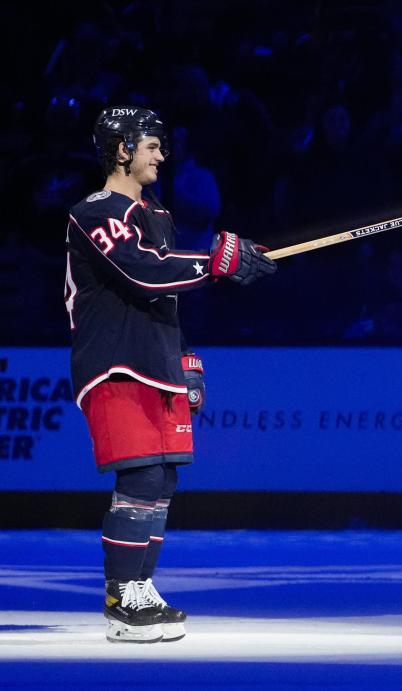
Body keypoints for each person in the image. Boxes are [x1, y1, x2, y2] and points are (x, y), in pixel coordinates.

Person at [64, 106, 276, 643]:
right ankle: (120, 599)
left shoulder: (156, 214)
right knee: (137, 475)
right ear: (121, 150)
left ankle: (141, 587)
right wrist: (214, 263)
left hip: (157, 360)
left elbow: (167, 300)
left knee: (162, 479)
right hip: (115, 361)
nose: (161, 154)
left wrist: (186, 359)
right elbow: (144, 273)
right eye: (152, 145)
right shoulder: (93, 211)